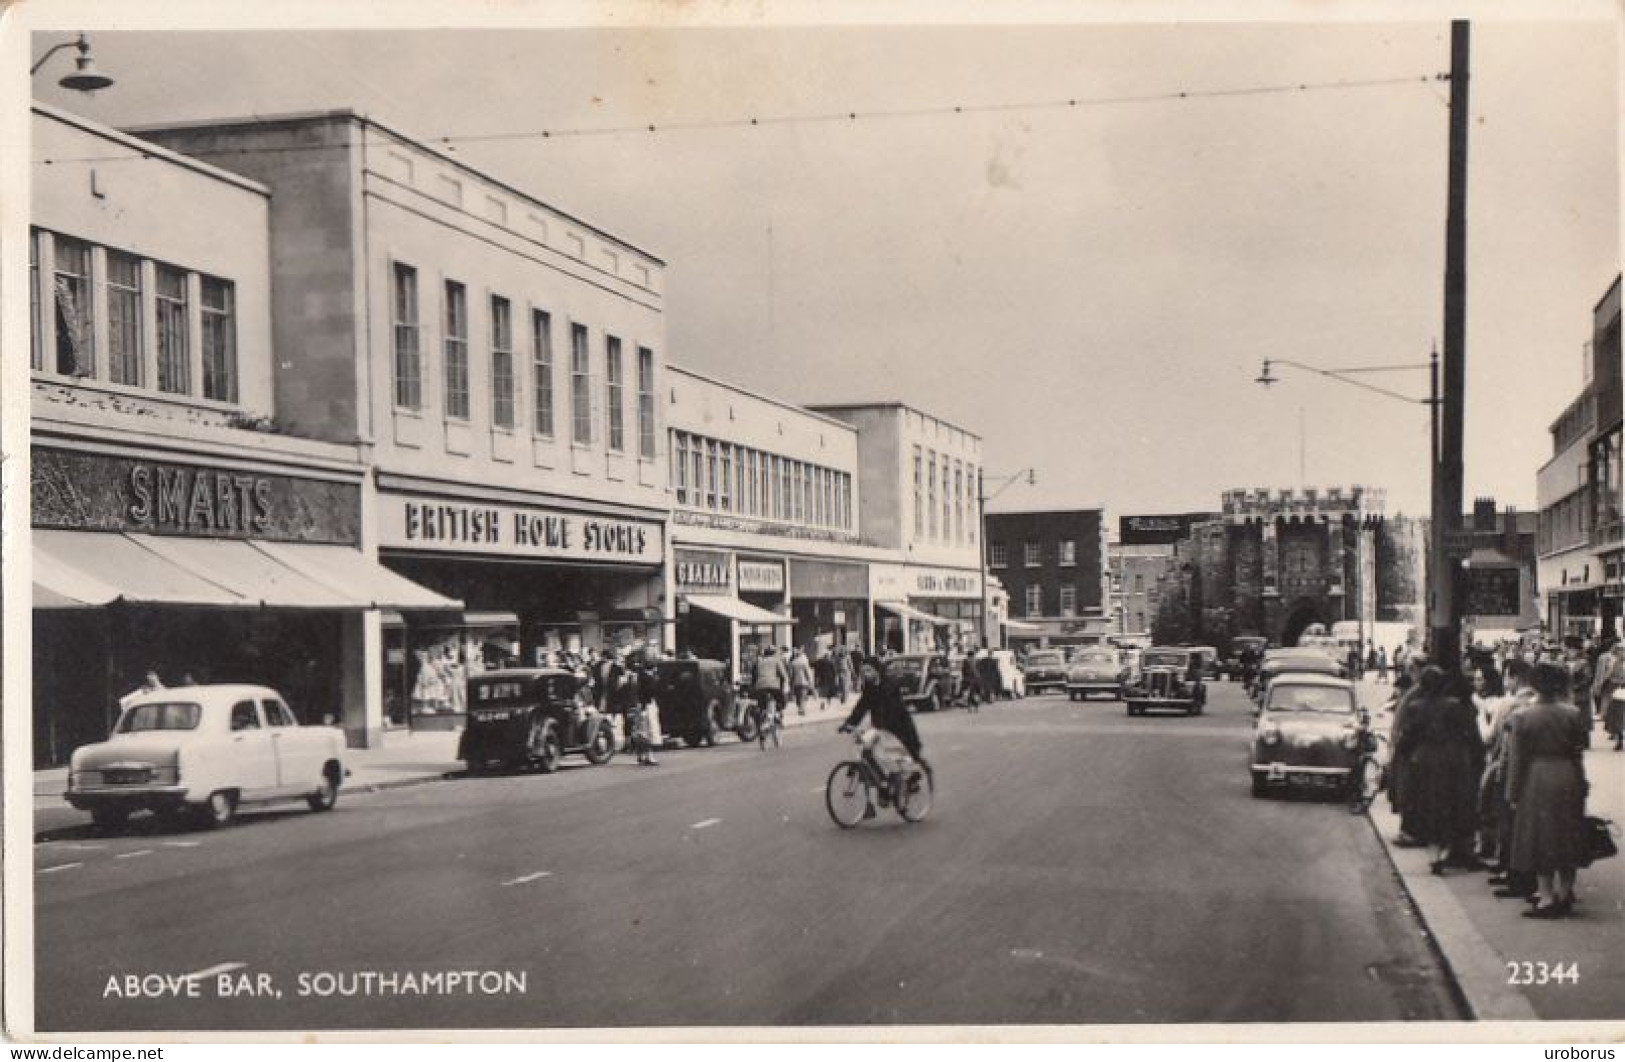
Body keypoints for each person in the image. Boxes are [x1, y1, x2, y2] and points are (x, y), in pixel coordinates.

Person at [1505, 660, 1591, 917]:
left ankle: (1546, 897)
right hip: (1568, 776)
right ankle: (1565, 893)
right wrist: (1582, 781)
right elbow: (1578, 752)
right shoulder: (1572, 713)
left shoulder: (1522, 716)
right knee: (1567, 833)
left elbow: (1517, 759)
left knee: (1540, 837)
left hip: (1537, 777)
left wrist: (1512, 792)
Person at [1392, 664, 1482, 870]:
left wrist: (1404, 753)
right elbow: (1470, 734)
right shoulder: (1455, 706)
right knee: (1450, 805)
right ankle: (1446, 850)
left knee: (1429, 807)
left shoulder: (1416, 707)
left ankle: (1434, 857)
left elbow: (1406, 738)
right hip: (1453, 760)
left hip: (1423, 760)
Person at [839, 656, 931, 812]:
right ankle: (882, 785)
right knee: (865, 750)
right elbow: (862, 706)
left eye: (869, 670)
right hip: (880, 727)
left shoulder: (889, 685)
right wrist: (849, 723)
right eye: (863, 671)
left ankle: (899, 785)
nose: (866, 674)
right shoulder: (869, 687)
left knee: (888, 756)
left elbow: (893, 709)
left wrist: (879, 726)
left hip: (898, 728)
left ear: (876, 670)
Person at [751, 643, 790, 741]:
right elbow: (784, 675)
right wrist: (785, 684)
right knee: (781, 702)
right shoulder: (777, 660)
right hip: (772, 686)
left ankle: (763, 719)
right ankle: (776, 716)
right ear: (774, 653)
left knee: (762, 704)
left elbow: (754, 676)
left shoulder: (760, 662)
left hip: (759, 687)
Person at [1591, 641, 1624, 749]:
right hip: (1617, 691)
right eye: (1620, 651)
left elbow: (1608, 674)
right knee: (1617, 715)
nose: (1621, 653)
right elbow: (1609, 674)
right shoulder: (1614, 662)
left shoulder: (1615, 662)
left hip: (1617, 690)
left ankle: (1618, 736)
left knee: (1617, 715)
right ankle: (1618, 736)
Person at [788, 647, 815, 716]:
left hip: (796, 682)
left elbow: (791, 674)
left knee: (798, 696)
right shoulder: (804, 662)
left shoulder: (793, 663)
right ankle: (802, 709)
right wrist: (810, 680)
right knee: (803, 696)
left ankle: (800, 708)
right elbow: (807, 672)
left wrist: (790, 683)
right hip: (804, 682)